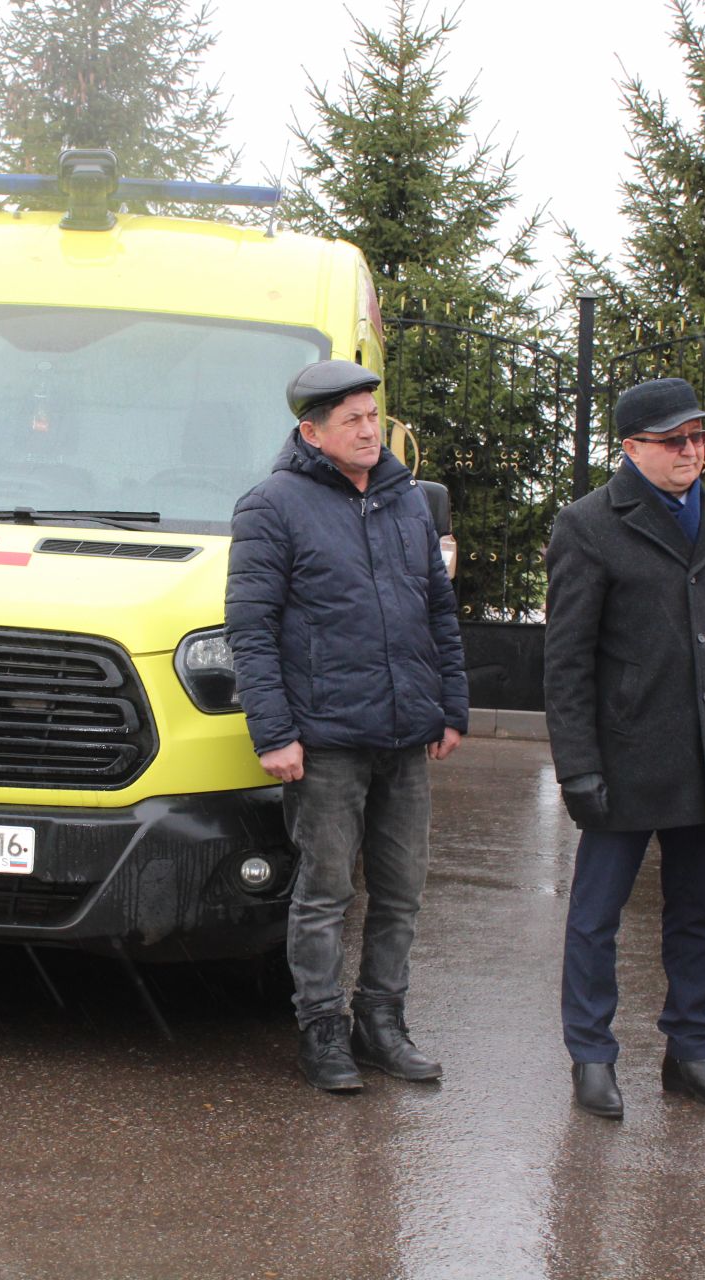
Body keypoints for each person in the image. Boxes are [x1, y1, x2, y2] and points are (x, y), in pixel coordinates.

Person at [226, 358, 469, 1092]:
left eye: (373, 417)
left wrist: (450, 704)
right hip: (325, 740)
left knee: (401, 892)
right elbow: (250, 627)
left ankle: (382, 1025)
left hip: (405, 736)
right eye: (354, 421)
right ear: (312, 431)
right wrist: (273, 732)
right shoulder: (271, 506)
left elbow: (437, 612)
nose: (370, 431)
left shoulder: (406, 502)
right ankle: (323, 1030)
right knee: (326, 891)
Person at [543, 376, 705, 1119]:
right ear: (631, 448)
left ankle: (691, 1052)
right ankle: (591, 1056)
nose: (691, 451)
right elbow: (568, 662)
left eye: (699, 438)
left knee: (697, 915)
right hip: (626, 756)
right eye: (674, 440)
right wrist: (578, 767)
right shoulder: (588, 526)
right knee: (596, 916)